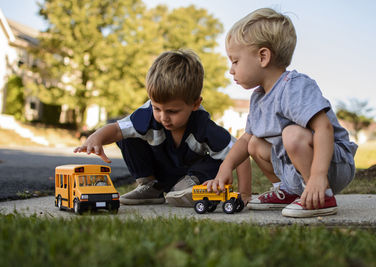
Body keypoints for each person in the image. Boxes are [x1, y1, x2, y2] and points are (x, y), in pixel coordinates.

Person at [205, 8, 357, 218]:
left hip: (331, 164)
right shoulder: (259, 97)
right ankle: (287, 190)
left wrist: (319, 176)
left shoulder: (294, 86)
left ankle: (323, 196)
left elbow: (324, 128)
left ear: (263, 56)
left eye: (235, 61)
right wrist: (226, 165)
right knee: (254, 143)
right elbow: (246, 138)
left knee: (291, 134)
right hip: (299, 166)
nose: (231, 69)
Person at [74, 49, 251, 207]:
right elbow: (117, 129)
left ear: (195, 104)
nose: (163, 117)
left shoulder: (203, 125)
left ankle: (189, 186)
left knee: (220, 160)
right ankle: (150, 186)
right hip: (160, 171)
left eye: (173, 111)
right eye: (157, 108)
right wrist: (95, 138)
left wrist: (244, 195)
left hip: (193, 174)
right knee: (127, 136)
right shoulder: (147, 115)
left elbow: (240, 154)